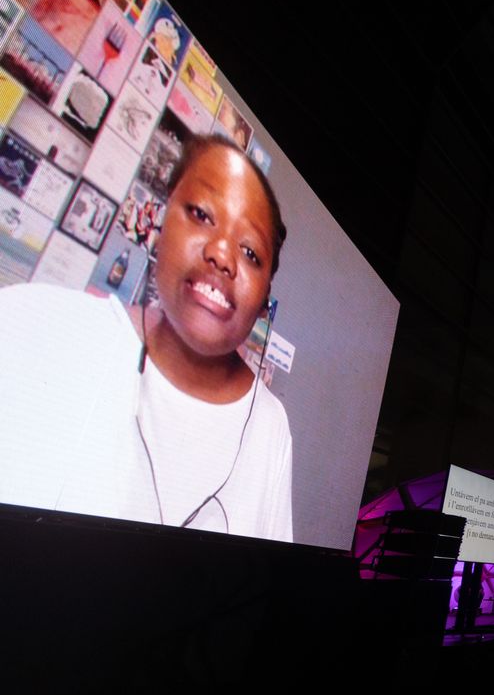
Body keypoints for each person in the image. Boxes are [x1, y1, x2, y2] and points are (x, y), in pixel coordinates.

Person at [0, 135, 292, 540]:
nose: (222, 255)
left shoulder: (270, 426)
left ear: (264, 304)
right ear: (159, 221)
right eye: (202, 214)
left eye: (251, 254)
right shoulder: (30, 323)